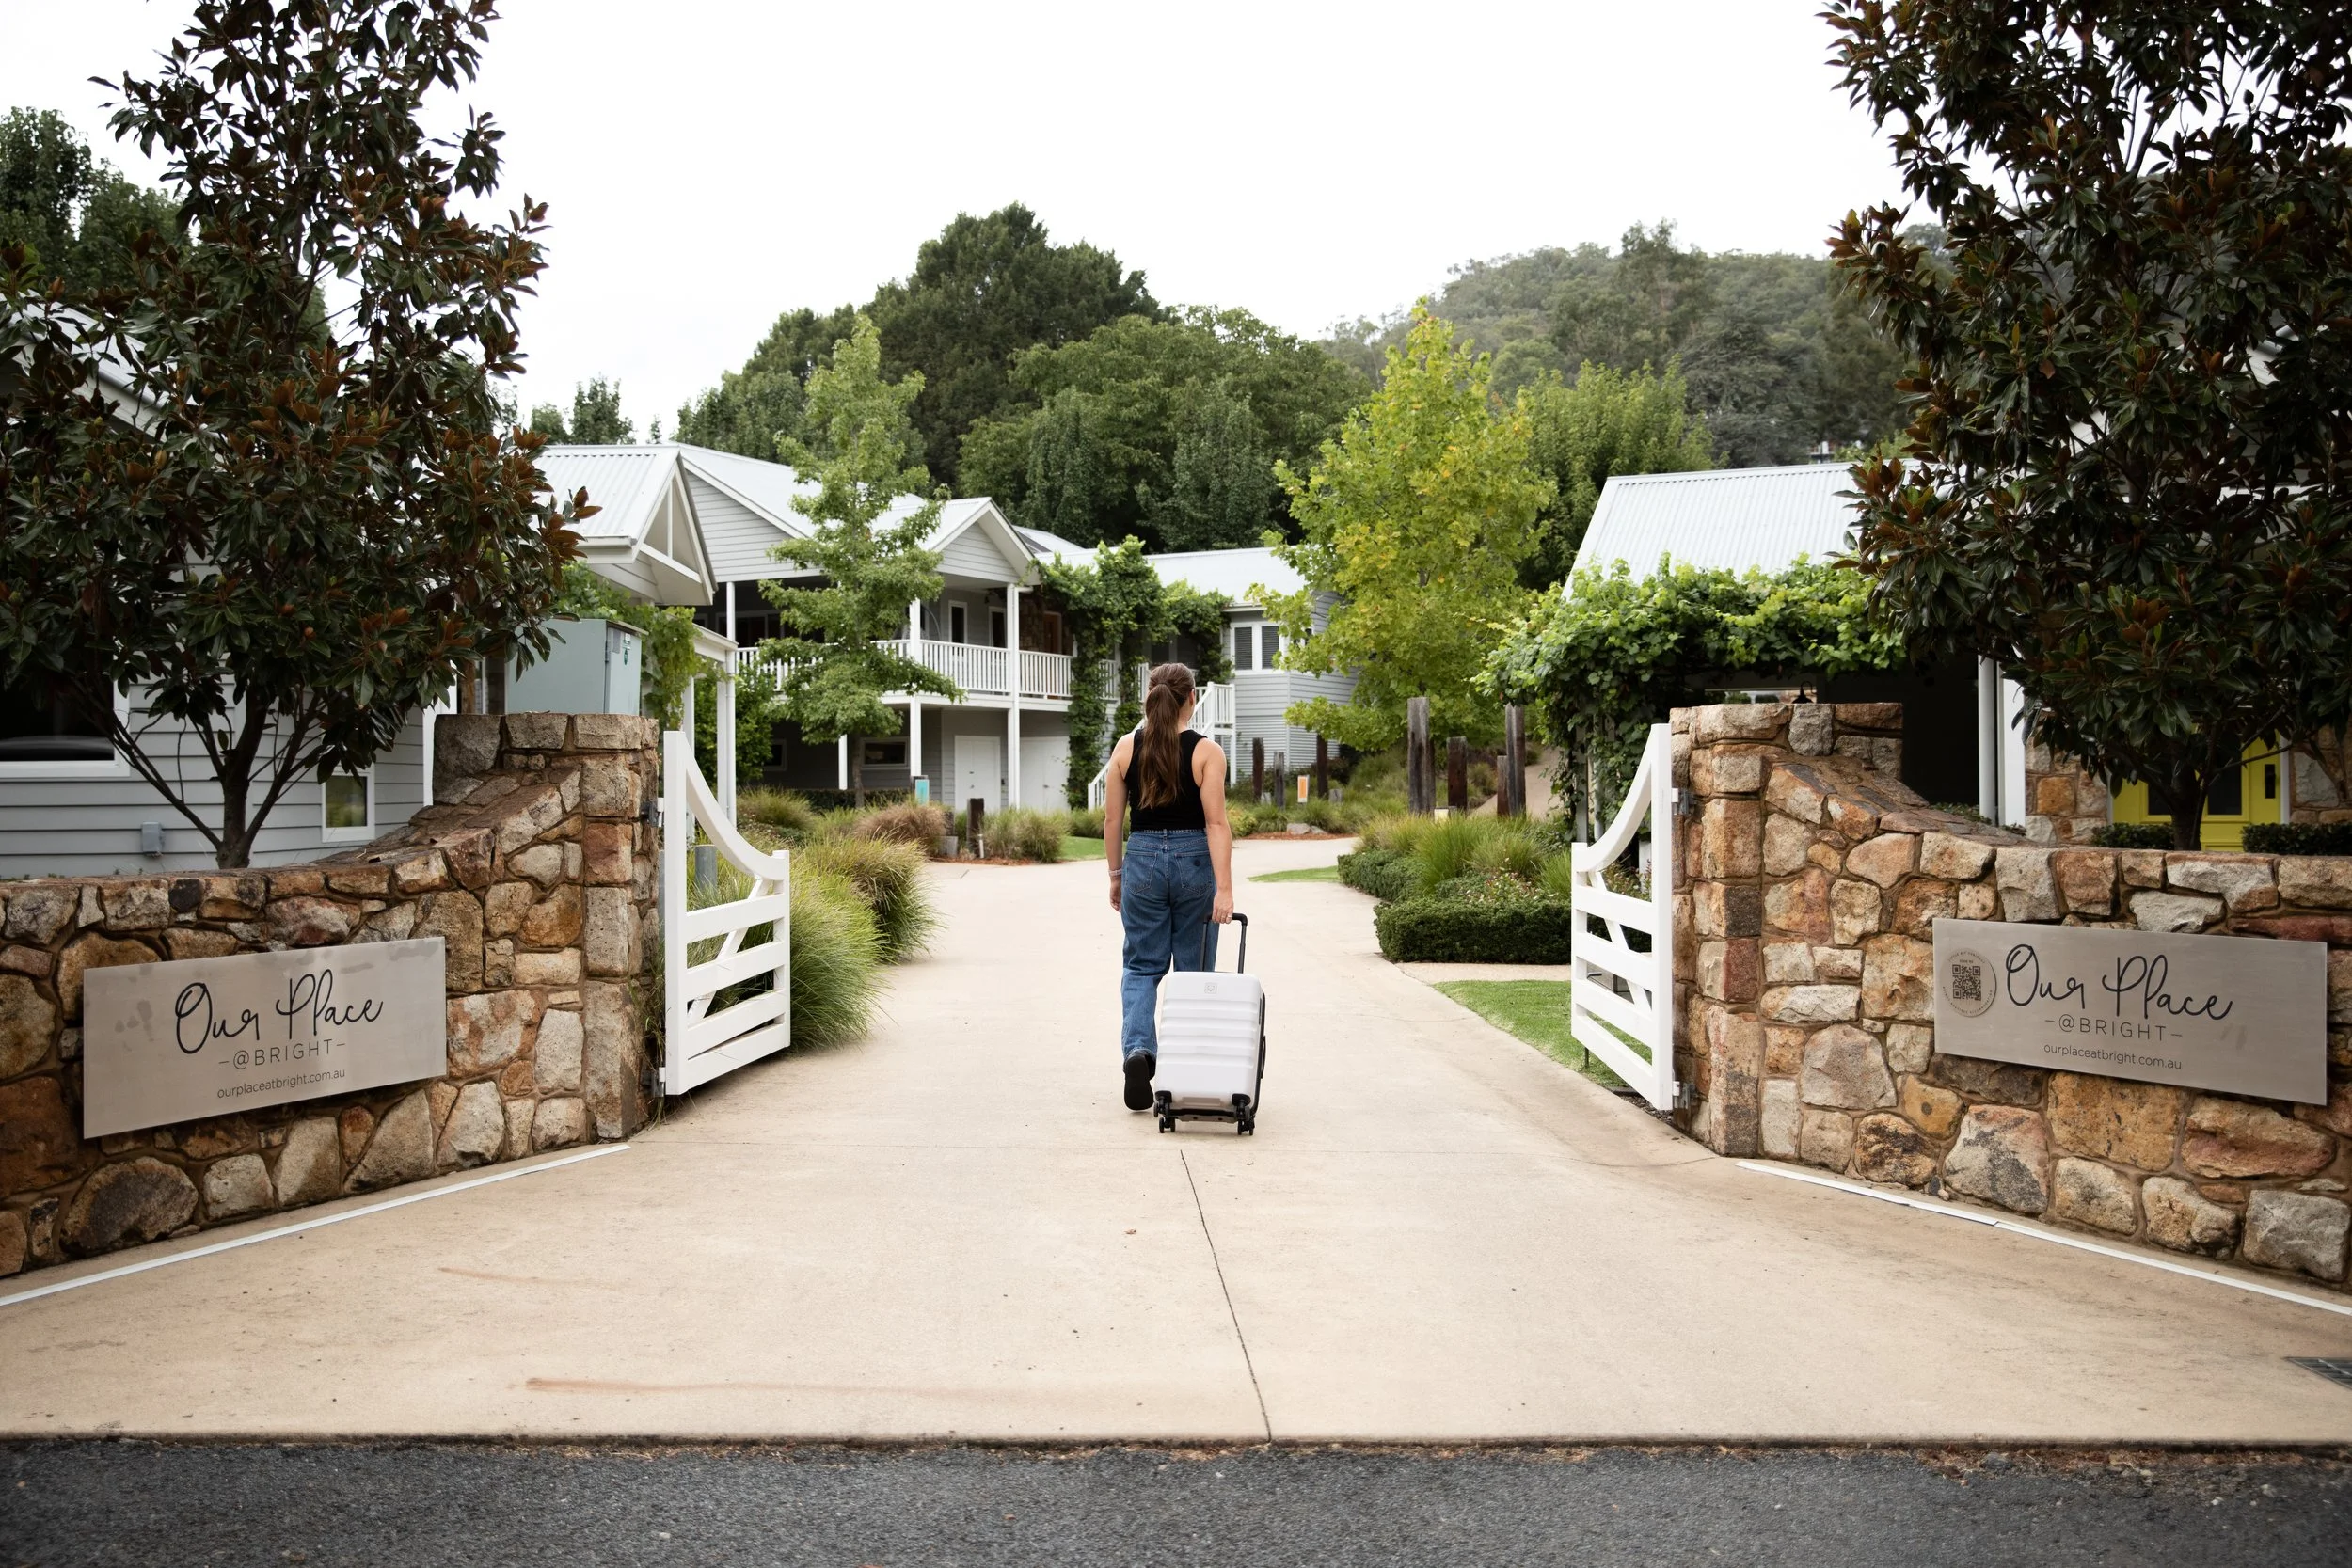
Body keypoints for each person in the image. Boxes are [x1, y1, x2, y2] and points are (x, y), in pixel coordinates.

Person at [1103, 662, 1234, 1111]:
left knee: (1141, 967)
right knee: (1194, 971)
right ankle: (1190, 1067)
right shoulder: (1206, 752)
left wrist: (1116, 876)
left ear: (1150, 696)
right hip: (1194, 861)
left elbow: (1113, 821)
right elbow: (1216, 824)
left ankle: (1139, 1052)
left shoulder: (1126, 747)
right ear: (1191, 699)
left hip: (1141, 861)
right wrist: (1224, 890)